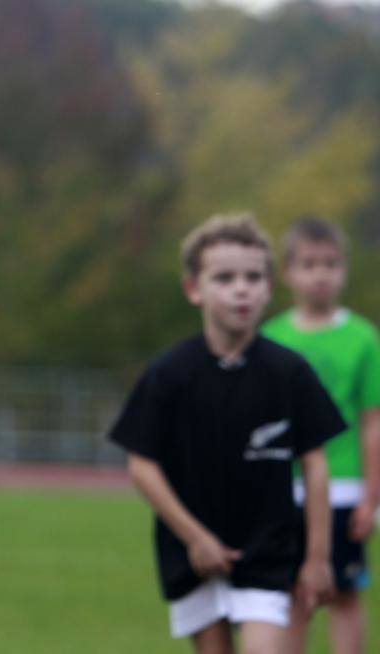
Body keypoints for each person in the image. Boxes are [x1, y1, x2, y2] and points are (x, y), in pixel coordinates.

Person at [109, 213, 344, 654]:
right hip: (193, 559)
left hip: (271, 554)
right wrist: (196, 537)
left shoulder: (290, 372)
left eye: (253, 276)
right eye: (225, 277)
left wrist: (317, 558)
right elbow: (142, 466)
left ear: (269, 287)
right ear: (194, 288)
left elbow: (314, 464)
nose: (242, 288)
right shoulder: (169, 373)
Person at [263, 216, 380, 654]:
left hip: (344, 488)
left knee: (344, 594)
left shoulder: (363, 338)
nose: (320, 274)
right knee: (293, 594)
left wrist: (372, 495)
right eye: (309, 264)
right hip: (284, 488)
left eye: (330, 264)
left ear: (344, 270)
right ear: (289, 272)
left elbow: (373, 420)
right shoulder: (271, 337)